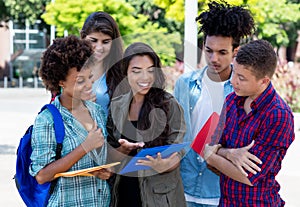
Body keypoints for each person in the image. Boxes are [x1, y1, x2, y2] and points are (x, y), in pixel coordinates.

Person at [173, 1, 255, 206]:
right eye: (209, 50)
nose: (213, 58)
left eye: (222, 52)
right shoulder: (185, 84)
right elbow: (175, 134)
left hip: (222, 191)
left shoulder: (244, 93)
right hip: (184, 188)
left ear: (236, 51)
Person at [203, 39, 295, 206]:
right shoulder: (231, 100)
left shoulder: (278, 115)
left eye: (241, 78)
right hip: (226, 202)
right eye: (234, 73)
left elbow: (248, 177)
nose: (233, 82)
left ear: (264, 81)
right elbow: (212, 143)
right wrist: (230, 154)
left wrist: (211, 155)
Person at [30, 35, 111, 206]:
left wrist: (103, 169)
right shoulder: (47, 120)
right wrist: (85, 147)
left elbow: (96, 159)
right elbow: (42, 175)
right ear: (61, 82)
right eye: (80, 81)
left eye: (90, 78)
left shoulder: (97, 111)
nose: (89, 85)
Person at [107, 42, 187, 207]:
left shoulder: (169, 104)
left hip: (158, 196)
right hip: (123, 193)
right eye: (136, 71)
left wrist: (163, 165)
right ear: (125, 73)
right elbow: (109, 154)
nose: (145, 77)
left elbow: (178, 150)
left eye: (150, 70)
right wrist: (123, 150)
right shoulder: (117, 105)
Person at [80, 11, 124, 116]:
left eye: (105, 42)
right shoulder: (70, 68)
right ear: (83, 37)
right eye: (93, 40)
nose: (99, 48)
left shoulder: (121, 72)